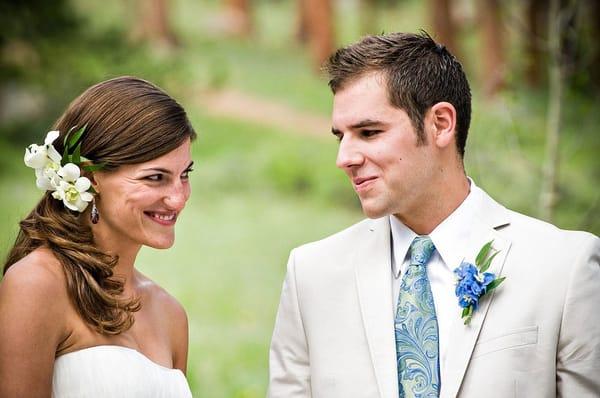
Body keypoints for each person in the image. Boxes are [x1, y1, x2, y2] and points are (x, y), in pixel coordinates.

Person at [267, 32, 600, 398]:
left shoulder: (564, 269)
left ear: (441, 123)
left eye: (368, 132)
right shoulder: (311, 275)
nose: (344, 158)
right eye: (340, 136)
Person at [0, 76, 196, 397]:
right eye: (156, 178)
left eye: (184, 175)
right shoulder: (37, 284)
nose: (178, 198)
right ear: (90, 178)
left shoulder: (170, 314)